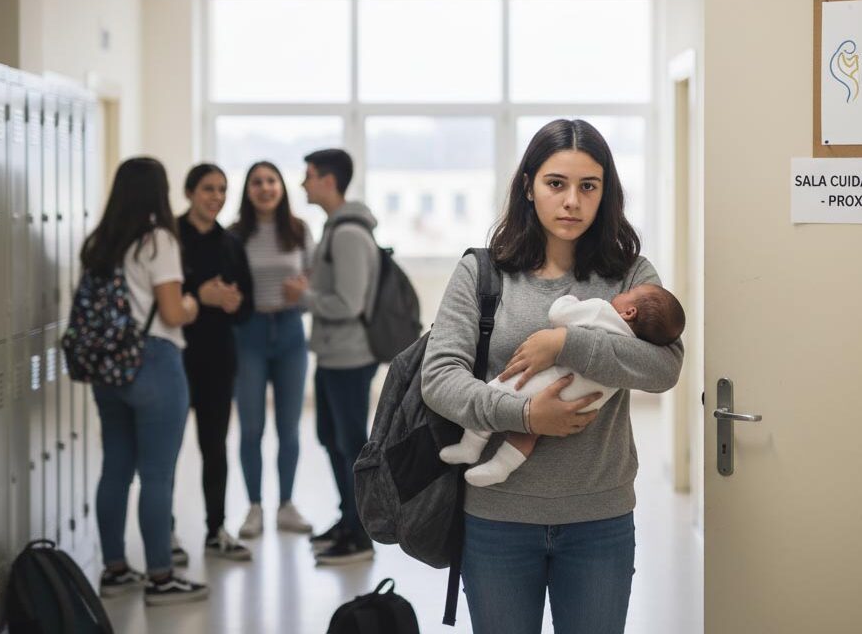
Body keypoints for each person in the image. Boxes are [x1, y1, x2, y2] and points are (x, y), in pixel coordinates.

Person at [421, 120, 684, 634]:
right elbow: (440, 377)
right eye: (555, 184)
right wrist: (524, 414)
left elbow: (664, 368)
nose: (572, 202)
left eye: (588, 186)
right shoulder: (482, 273)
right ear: (528, 186)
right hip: (498, 519)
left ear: (605, 193)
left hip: (599, 520)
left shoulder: (631, 275)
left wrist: (567, 343)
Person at [83, 157, 209, 606]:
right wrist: (194, 303)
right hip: (154, 362)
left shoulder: (101, 243)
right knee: (157, 474)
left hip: (108, 367)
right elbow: (173, 313)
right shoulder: (158, 240)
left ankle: (115, 569)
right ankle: (161, 577)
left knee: (115, 468)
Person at [441, 285, 685, 487]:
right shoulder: (637, 344)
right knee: (529, 432)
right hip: (582, 404)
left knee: (497, 391)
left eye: (628, 291)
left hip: (550, 380)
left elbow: (559, 314)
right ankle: (502, 466)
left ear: (629, 312)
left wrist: (567, 315)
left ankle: (471, 446)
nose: (620, 293)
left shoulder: (602, 310)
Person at [283, 149, 381, 566]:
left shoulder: (348, 235)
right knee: (332, 439)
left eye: (308, 176)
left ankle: (359, 536)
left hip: (350, 356)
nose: (303, 184)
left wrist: (302, 297)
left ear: (328, 180)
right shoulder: (335, 230)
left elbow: (350, 302)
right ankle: (347, 520)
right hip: (332, 354)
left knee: (349, 444)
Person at [172, 163, 254, 562]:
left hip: (219, 360)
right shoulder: (168, 237)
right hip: (175, 358)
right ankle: (165, 533)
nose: (216, 197)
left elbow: (247, 307)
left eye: (222, 190)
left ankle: (215, 529)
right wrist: (198, 295)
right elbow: (161, 300)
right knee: (166, 450)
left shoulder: (231, 244)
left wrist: (233, 303)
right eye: (208, 189)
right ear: (189, 192)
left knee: (214, 447)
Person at [231, 161, 316, 539]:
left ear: (281, 188)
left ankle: (285, 505)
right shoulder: (235, 234)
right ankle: (252, 507)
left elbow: (315, 275)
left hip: (290, 331)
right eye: (257, 182)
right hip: (248, 332)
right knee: (251, 427)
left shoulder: (298, 230)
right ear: (248, 190)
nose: (265, 188)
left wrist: (304, 289)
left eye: (271, 181)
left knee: (289, 427)